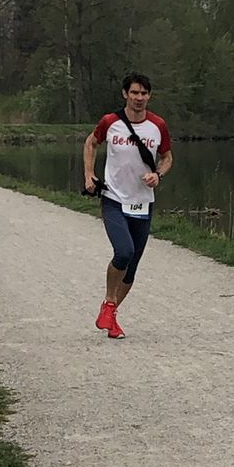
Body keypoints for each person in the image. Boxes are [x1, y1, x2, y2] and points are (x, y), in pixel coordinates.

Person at [83, 72, 173, 339]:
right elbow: (91, 143)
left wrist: (158, 175)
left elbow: (167, 157)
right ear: (125, 94)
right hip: (114, 198)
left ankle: (110, 311)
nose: (139, 98)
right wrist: (89, 174)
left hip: (143, 203)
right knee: (124, 251)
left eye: (144, 93)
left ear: (149, 96)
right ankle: (110, 303)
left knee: (131, 267)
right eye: (134, 92)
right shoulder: (110, 122)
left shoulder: (157, 125)